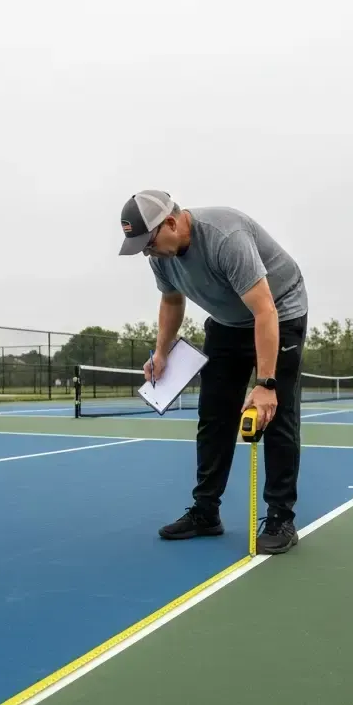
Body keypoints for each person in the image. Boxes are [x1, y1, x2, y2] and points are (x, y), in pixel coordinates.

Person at [118, 190, 308, 554]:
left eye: (149, 243)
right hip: (226, 322)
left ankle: (281, 517)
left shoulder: (225, 238)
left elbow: (265, 310)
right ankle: (206, 511)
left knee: (276, 414)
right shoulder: (161, 258)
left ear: (170, 222)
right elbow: (171, 300)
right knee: (214, 415)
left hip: (279, 312)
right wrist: (162, 353)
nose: (147, 252)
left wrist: (266, 384)